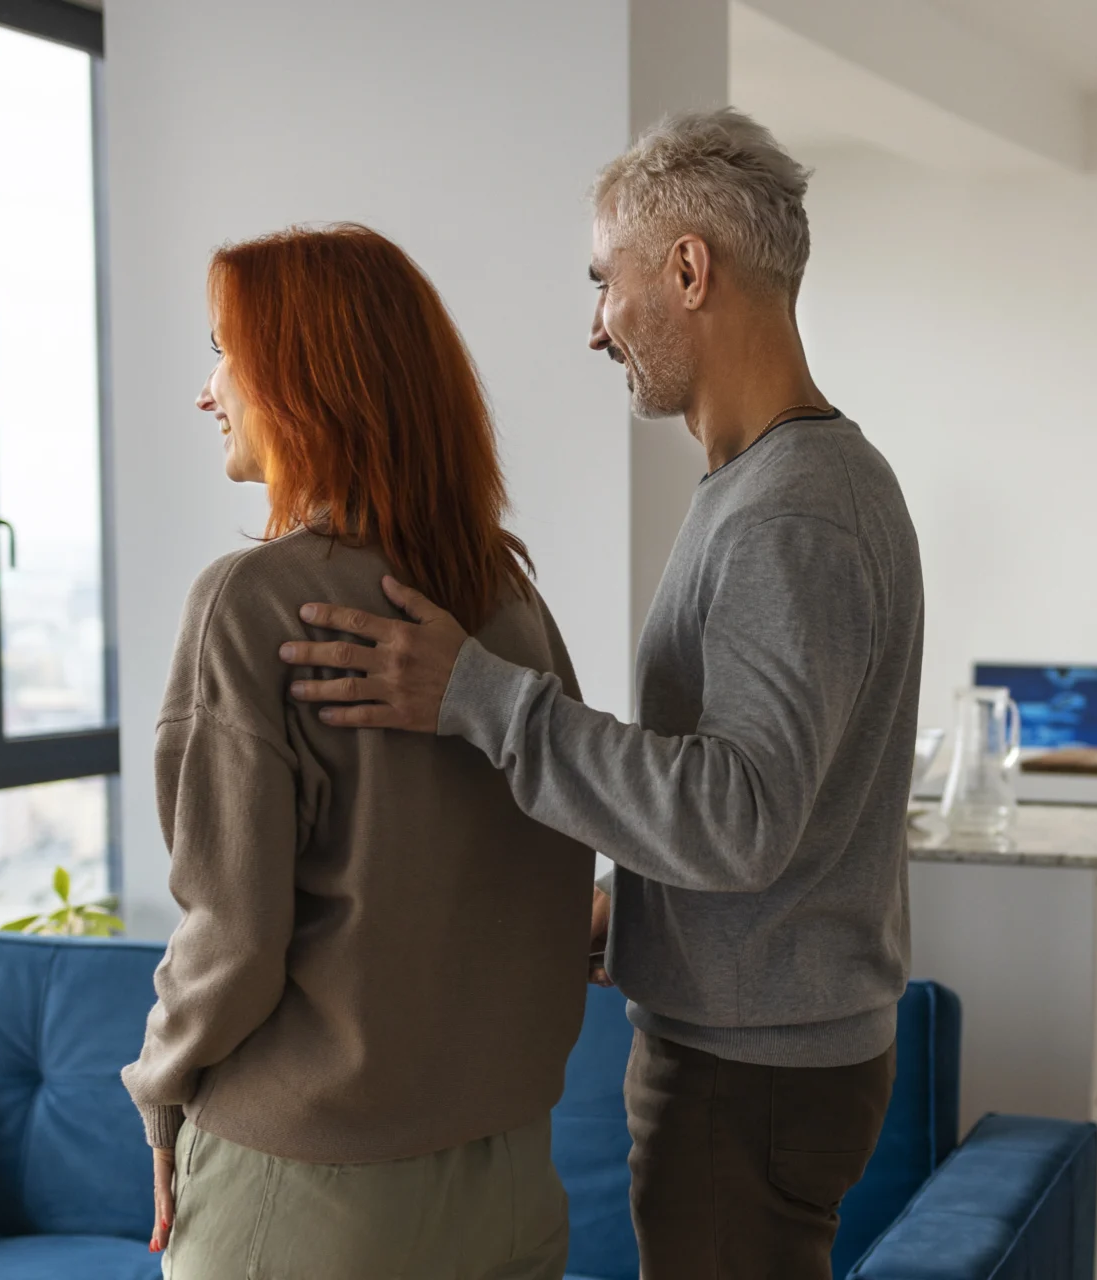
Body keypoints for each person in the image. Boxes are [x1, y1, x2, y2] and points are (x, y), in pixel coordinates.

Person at [279, 109, 924, 1278]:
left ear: (688, 271)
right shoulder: (772, 485)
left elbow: (739, 816)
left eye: (602, 282)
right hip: (762, 1051)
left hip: (751, 1073)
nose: (594, 327)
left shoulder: (792, 510)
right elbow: (777, 813)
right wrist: (635, 917)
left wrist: (480, 696)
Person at [122, 224, 593, 1280]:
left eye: (225, 354)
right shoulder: (511, 603)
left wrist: (159, 1086)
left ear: (302, 380)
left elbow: (232, 934)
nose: (208, 392)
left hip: (306, 1196)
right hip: (510, 1180)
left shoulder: (248, 603)